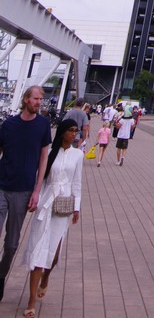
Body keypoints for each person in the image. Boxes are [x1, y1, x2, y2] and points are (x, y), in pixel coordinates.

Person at [22, 119, 83, 317]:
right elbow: (39, 178)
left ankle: (46, 278)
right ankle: (31, 301)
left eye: (76, 131)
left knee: (54, 255)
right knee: (38, 252)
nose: (74, 134)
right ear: (62, 132)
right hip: (45, 203)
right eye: (70, 130)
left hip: (63, 206)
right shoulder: (48, 153)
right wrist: (34, 198)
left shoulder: (78, 155)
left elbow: (77, 182)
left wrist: (76, 207)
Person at [0, 86, 52, 302]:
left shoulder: (43, 125)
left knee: (11, 244)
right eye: (36, 98)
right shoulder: (8, 125)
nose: (39, 102)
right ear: (26, 99)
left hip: (23, 191)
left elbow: (43, 158)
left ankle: (1, 276)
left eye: (41, 99)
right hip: (2, 186)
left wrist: (37, 190)